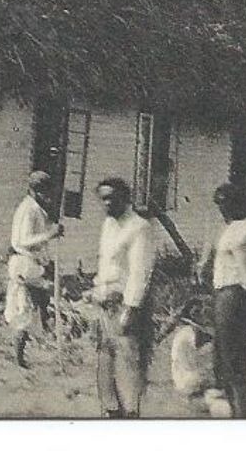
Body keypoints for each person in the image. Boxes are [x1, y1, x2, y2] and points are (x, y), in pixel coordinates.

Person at [90, 176, 154, 418]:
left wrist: (130, 309)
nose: (107, 204)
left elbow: (140, 272)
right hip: (104, 301)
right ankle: (111, 410)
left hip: (125, 303)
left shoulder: (139, 227)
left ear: (125, 199)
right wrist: (96, 291)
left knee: (127, 361)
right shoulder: (109, 225)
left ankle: (130, 413)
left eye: (112, 199)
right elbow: (105, 262)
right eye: (103, 199)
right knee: (105, 358)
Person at [206, 182, 246, 417]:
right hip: (224, 295)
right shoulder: (230, 229)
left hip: (235, 296)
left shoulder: (243, 230)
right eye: (220, 204)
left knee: (233, 359)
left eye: (225, 204)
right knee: (223, 359)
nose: (222, 209)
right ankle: (234, 411)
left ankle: (241, 414)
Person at [6, 170, 64, 367]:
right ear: (34, 190)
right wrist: (50, 234)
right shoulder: (28, 209)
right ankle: (18, 356)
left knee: (33, 308)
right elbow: (23, 241)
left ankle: (27, 349)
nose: (47, 195)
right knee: (25, 308)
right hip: (24, 262)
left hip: (33, 263)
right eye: (43, 191)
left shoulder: (37, 208)